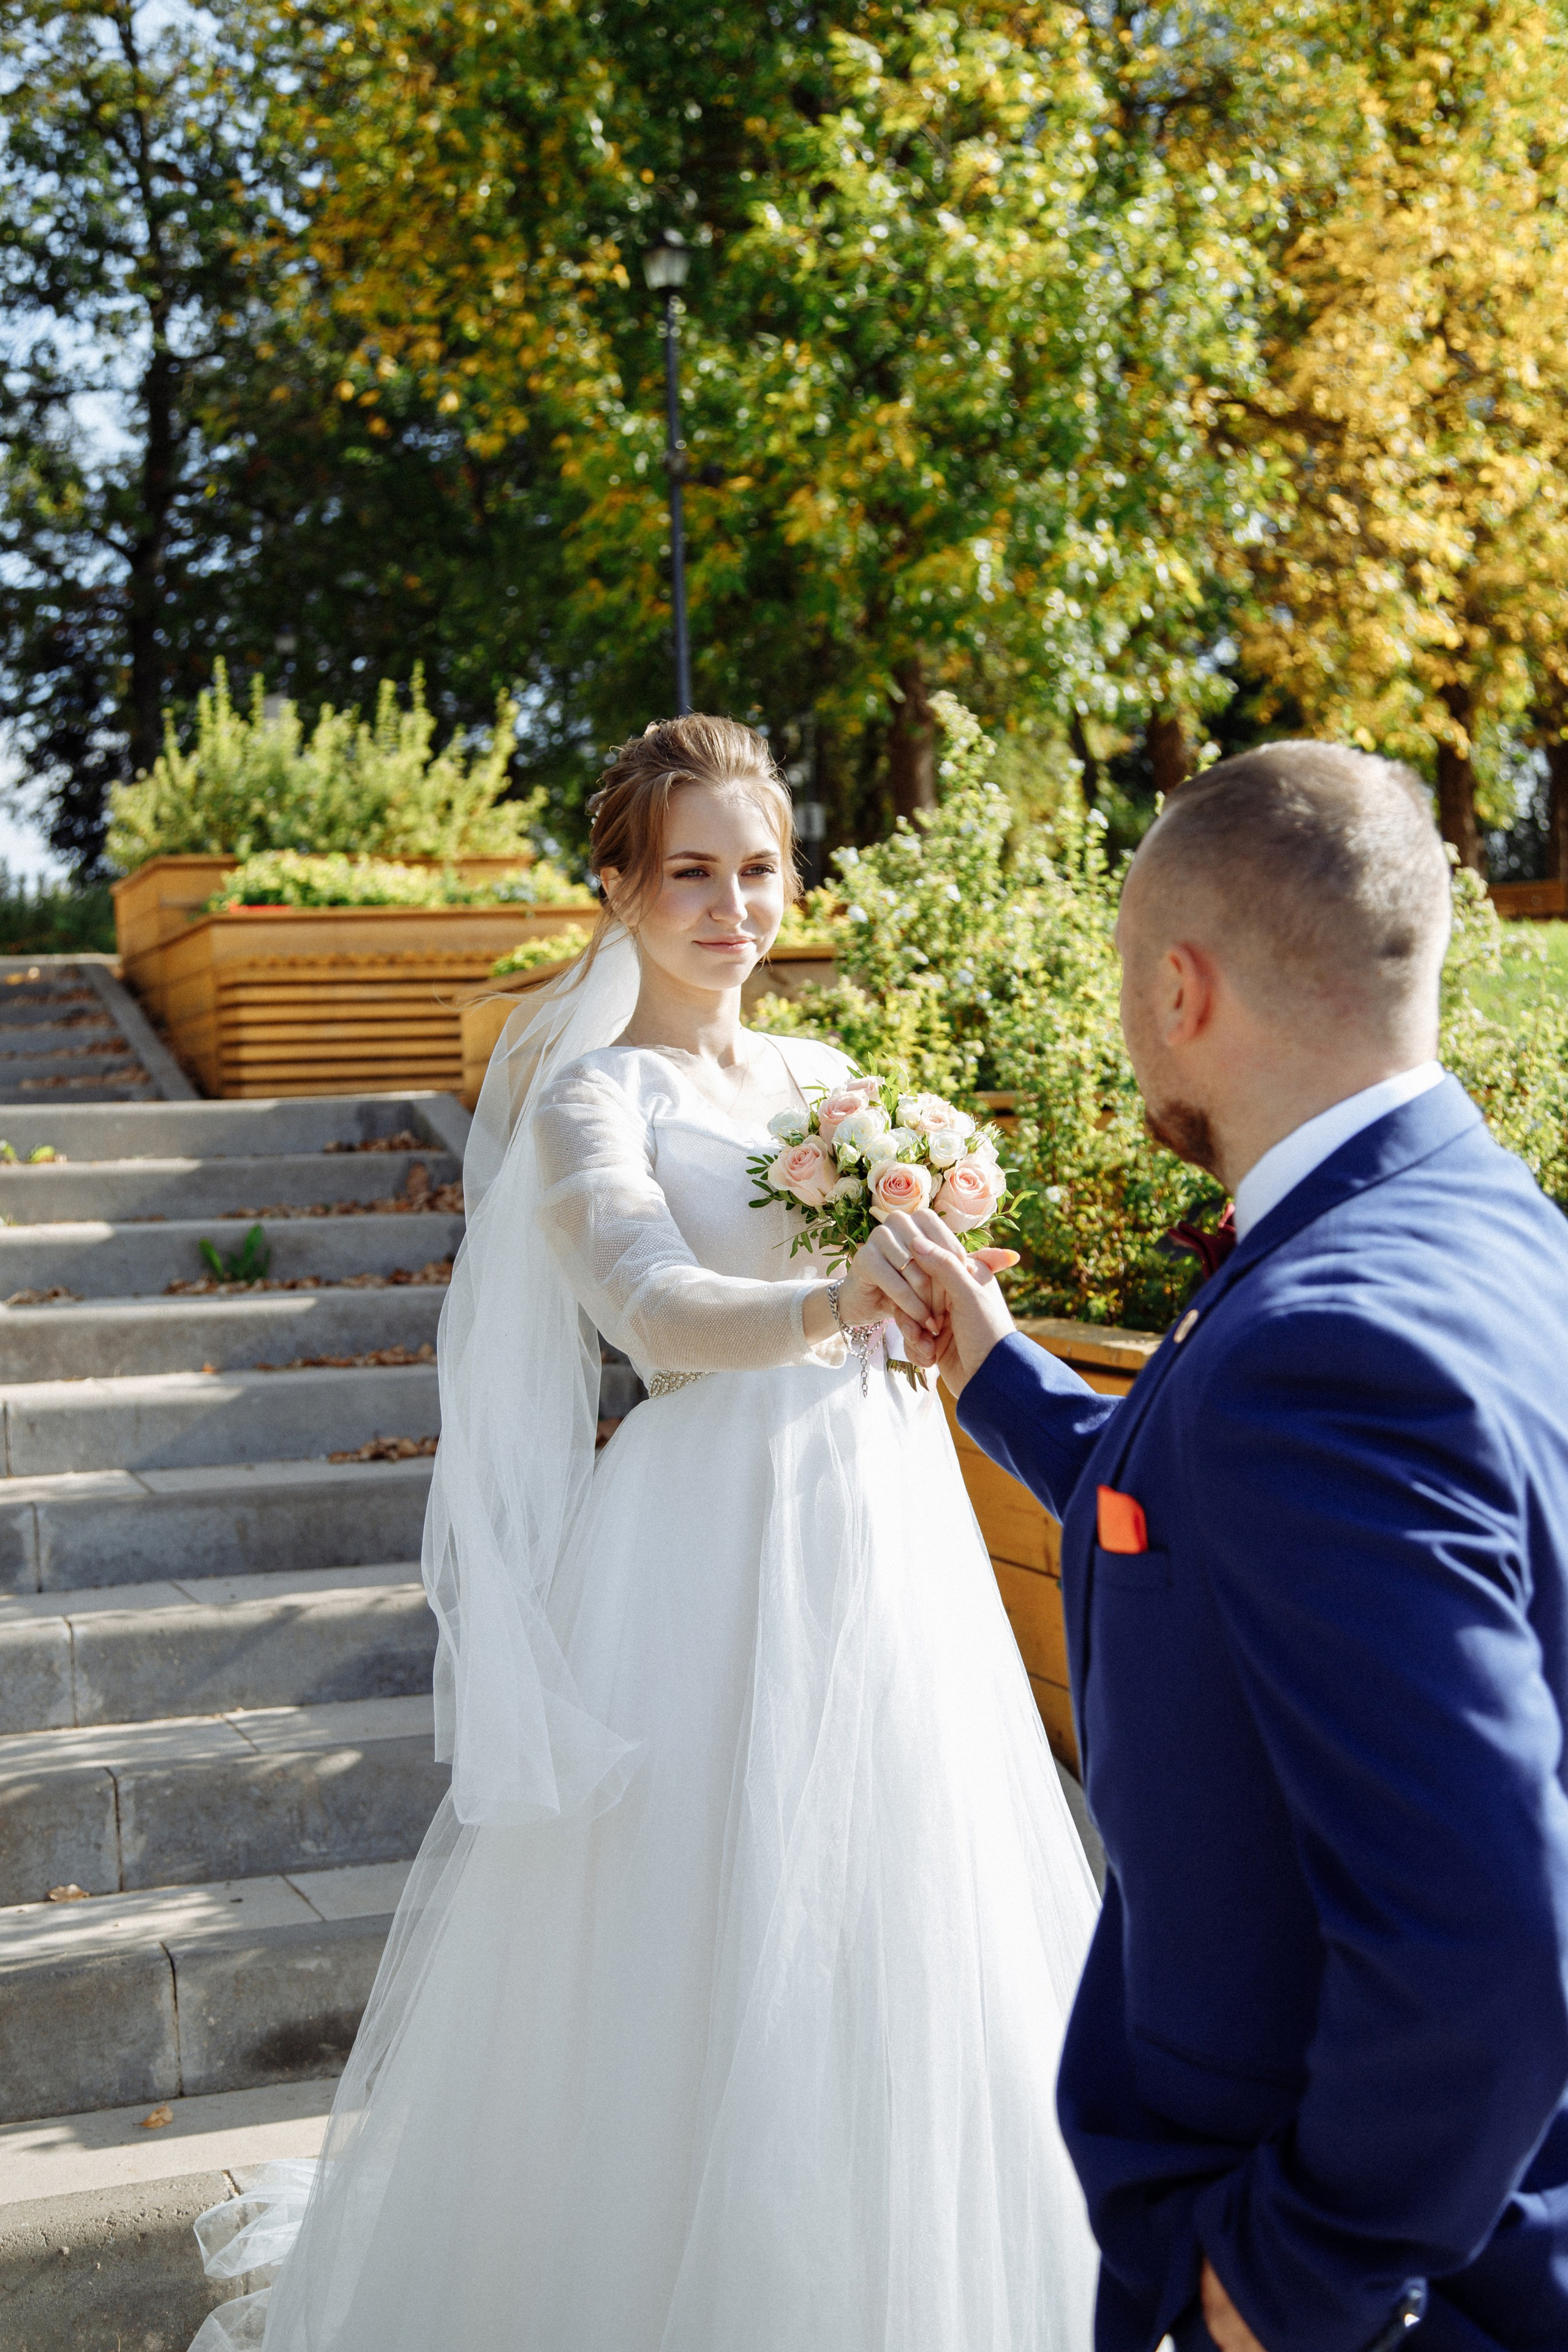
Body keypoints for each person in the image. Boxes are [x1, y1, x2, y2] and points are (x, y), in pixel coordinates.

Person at [188, 716, 1101, 2351]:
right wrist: (837, 1294)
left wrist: (938, 1289)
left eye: (758, 871)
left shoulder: (835, 1082)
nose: (732, 906)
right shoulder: (587, 1096)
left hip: (877, 1519)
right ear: (617, 885)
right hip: (705, 1535)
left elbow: (906, 1291)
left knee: (898, 1892)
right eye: (692, 873)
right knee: (695, 1921)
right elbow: (653, 1310)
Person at [881, 741, 1568, 2352]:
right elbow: (1217, 1517)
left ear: (1181, 988)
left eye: (1128, 980)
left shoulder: (1315, 1346)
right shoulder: (1493, 1234)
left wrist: (1291, 2273)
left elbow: (1488, 1935)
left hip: (1384, 2292)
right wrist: (997, 1369)